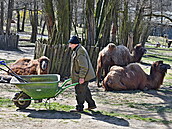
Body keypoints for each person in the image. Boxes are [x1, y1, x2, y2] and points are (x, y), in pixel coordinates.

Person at [68, 35, 97, 112]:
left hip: (83, 75)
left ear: (75, 44)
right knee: (85, 90)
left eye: (70, 44)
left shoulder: (80, 52)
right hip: (81, 75)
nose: (69, 46)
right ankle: (91, 104)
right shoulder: (77, 50)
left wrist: (81, 77)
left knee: (79, 91)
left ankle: (79, 108)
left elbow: (84, 66)